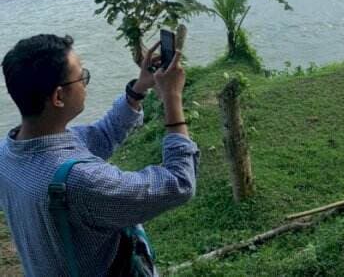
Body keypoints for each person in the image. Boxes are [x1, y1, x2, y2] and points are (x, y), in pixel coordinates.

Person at [0, 34, 199, 276]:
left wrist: (139, 88)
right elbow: (178, 184)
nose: (85, 83)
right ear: (58, 97)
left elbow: (103, 134)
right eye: (82, 77)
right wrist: (173, 99)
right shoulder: (82, 182)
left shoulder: (9, 152)